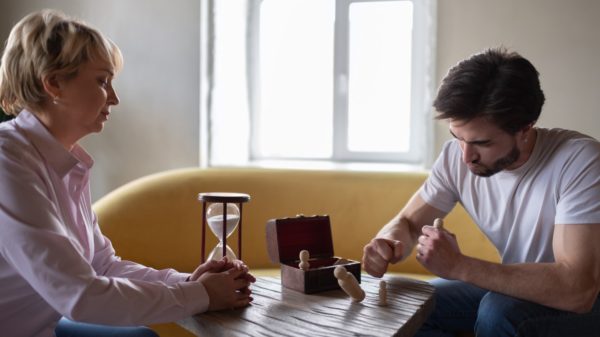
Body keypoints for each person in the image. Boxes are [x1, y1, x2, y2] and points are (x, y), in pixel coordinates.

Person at [0, 9, 255, 337]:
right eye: (102, 81)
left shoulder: (64, 163)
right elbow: (79, 295)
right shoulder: (9, 163)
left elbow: (102, 266)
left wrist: (189, 281)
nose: (115, 98)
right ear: (54, 84)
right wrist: (203, 295)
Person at [362, 48, 600, 337]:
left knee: (499, 312)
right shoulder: (455, 158)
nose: (466, 157)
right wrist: (387, 242)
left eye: (481, 143)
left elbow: (577, 288)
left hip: (590, 301)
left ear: (525, 128)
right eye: (457, 138)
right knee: (406, 302)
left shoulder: (580, 161)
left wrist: (460, 266)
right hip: (521, 292)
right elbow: (409, 224)